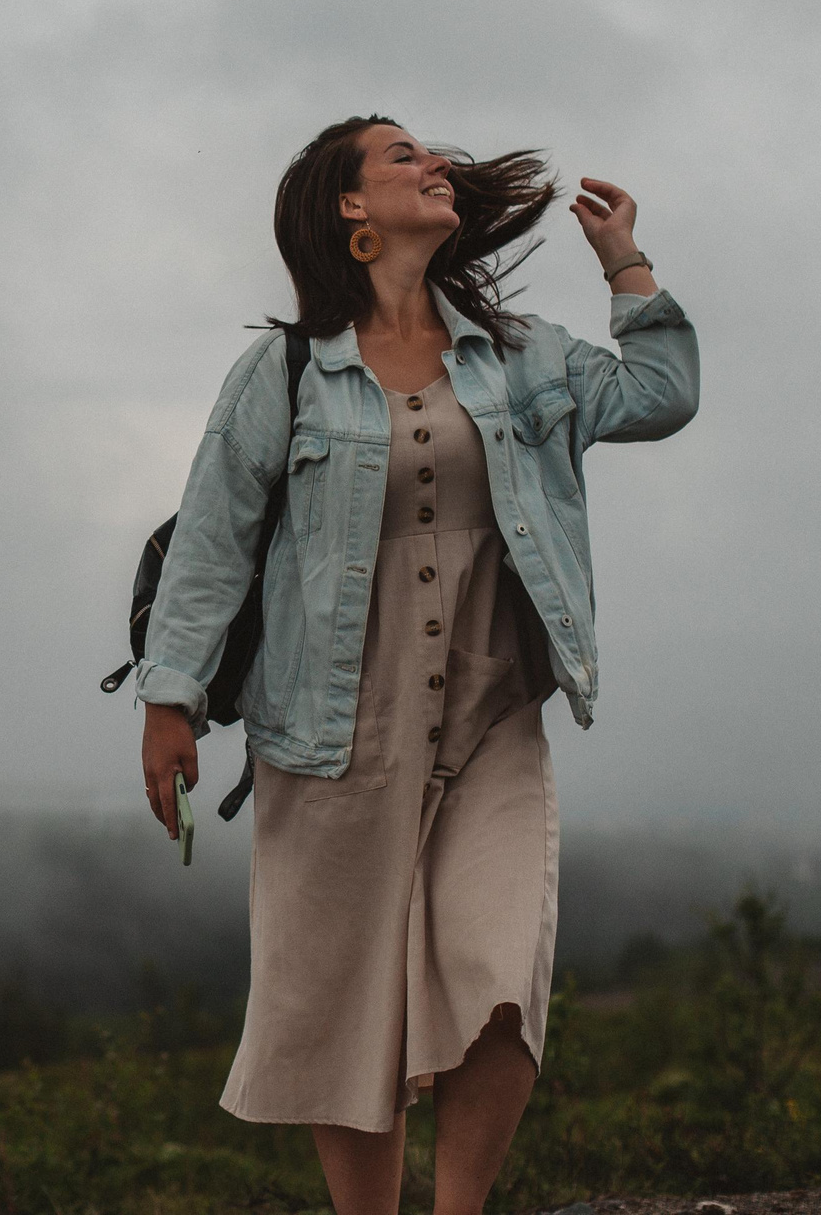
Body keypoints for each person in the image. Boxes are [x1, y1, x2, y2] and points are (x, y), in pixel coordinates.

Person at [127, 116, 699, 1215]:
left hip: (493, 723)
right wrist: (170, 702)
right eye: (402, 157)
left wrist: (623, 261)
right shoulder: (283, 371)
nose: (432, 163)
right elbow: (210, 541)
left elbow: (661, 395)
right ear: (349, 209)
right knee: (345, 1005)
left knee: (498, 979)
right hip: (330, 727)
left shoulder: (526, 355)